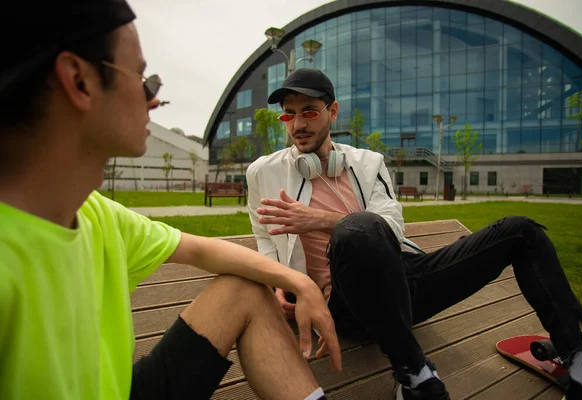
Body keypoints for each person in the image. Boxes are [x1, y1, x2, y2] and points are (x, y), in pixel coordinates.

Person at [0, 3, 342, 400]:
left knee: (245, 286)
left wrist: (299, 283)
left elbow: (203, 250)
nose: (154, 101)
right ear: (79, 81)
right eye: (145, 79)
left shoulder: (95, 213)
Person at [246, 68, 582, 400]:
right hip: (345, 305)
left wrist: (319, 219)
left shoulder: (367, 162)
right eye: (288, 114)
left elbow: (392, 226)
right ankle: (415, 376)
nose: (297, 124)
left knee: (521, 231)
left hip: (406, 281)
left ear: (332, 111)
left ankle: (580, 355)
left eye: (308, 112)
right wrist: (278, 281)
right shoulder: (263, 172)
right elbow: (264, 234)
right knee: (357, 229)